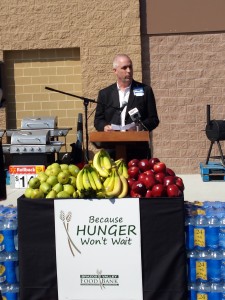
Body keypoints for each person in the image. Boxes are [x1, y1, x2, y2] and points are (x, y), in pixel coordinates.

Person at [94, 54, 159, 160]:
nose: (128, 71)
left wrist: (140, 127)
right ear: (115, 71)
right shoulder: (105, 94)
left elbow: (154, 119)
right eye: (124, 68)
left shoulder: (145, 90)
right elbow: (98, 120)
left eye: (130, 67)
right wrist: (104, 127)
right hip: (112, 151)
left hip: (138, 151)